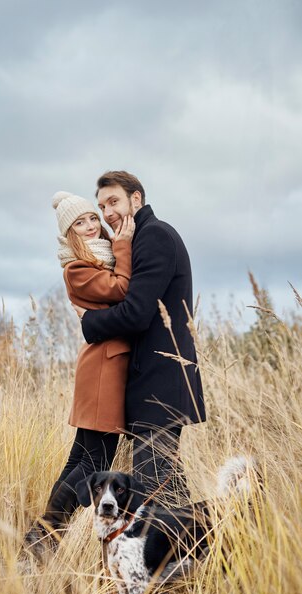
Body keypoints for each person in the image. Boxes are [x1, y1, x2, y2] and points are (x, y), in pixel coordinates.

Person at [73, 171, 206, 503]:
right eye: (102, 206)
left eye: (113, 201)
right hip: (150, 384)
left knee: (155, 488)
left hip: (160, 383)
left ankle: (198, 550)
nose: (107, 213)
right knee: (165, 488)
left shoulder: (155, 236)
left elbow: (137, 312)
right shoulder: (137, 239)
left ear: (136, 199)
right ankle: (200, 551)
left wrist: (90, 320)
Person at [23, 190, 135, 558]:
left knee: (79, 459)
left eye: (91, 219)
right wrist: (124, 245)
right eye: (79, 223)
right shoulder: (78, 267)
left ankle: (41, 537)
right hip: (104, 367)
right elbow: (121, 289)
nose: (90, 227)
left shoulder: (95, 259)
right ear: (67, 233)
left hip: (100, 364)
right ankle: (45, 536)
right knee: (95, 463)